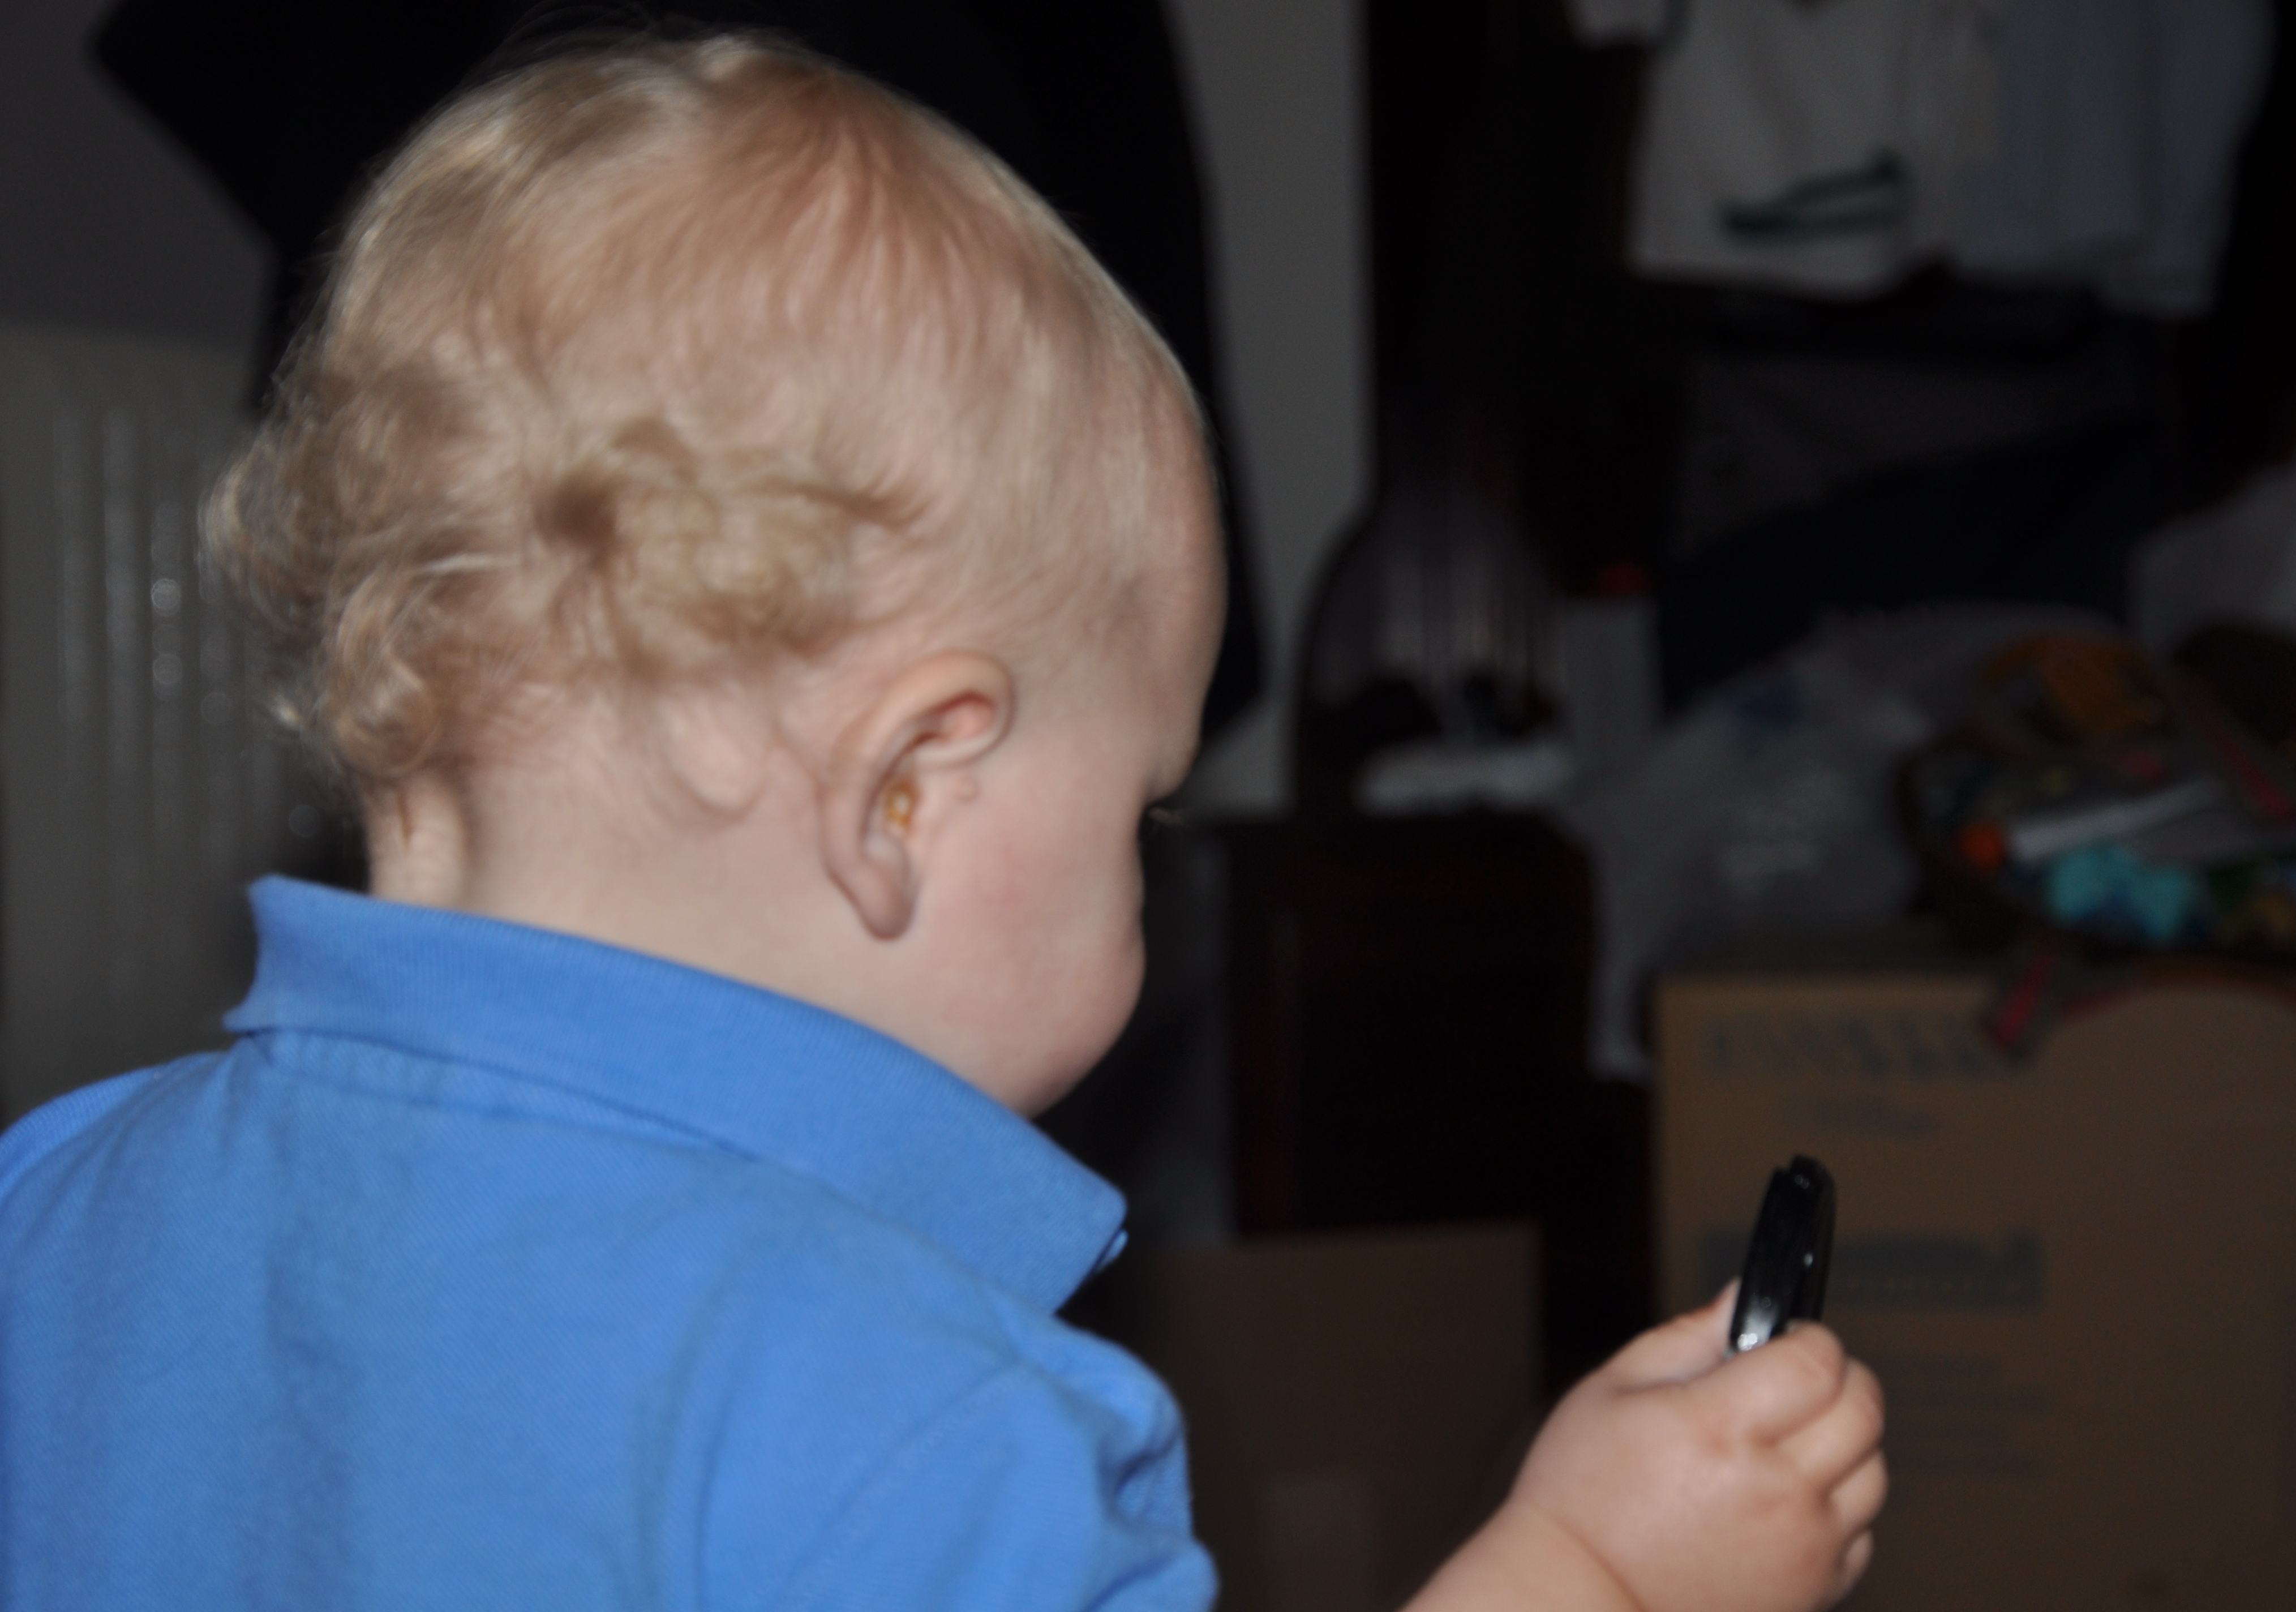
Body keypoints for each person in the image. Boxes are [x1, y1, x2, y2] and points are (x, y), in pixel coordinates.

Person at [0, 34, 1885, 1612]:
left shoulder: (55, 1204)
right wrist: (1593, 1572)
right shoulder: (907, 1424)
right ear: (910, 792)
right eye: (1141, 811)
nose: (1152, 881)